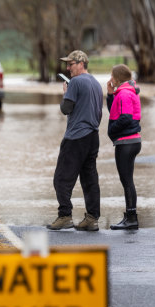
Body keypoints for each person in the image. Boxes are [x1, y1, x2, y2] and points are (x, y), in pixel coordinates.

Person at [47, 50, 103, 231]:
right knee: (89, 179)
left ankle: (65, 216)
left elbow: (65, 109)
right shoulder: (95, 82)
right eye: (67, 64)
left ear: (81, 64)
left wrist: (66, 92)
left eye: (71, 64)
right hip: (93, 136)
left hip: (76, 137)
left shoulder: (76, 82)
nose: (67, 68)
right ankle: (92, 218)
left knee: (61, 178)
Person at [106, 64, 142, 230]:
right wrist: (109, 94)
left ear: (118, 78)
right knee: (126, 180)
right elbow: (115, 111)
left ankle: (132, 218)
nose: (110, 79)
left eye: (112, 76)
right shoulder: (122, 92)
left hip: (127, 142)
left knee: (127, 180)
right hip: (127, 141)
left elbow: (126, 118)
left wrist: (111, 130)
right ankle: (129, 215)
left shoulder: (126, 94)